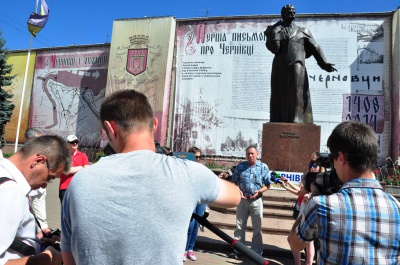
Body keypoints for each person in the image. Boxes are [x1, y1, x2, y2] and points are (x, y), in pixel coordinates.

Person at [60, 89, 241, 265]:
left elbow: (69, 255)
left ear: (109, 128)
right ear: (154, 124)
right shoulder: (188, 173)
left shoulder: (79, 183)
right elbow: (235, 196)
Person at [289, 121, 400, 264]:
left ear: (341, 157)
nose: (333, 167)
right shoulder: (397, 207)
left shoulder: (322, 205)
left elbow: (295, 243)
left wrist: (314, 198)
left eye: (332, 160)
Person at [0, 135, 71, 264]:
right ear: (38, 161)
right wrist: (48, 257)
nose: (45, 185)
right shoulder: (10, 191)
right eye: (49, 178)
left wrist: (33, 239)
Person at [264, 4, 337, 123]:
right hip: (279, 66)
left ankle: (296, 117)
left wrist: (323, 63)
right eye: (289, 12)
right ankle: (278, 118)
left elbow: (315, 47)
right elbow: (275, 49)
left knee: (296, 89)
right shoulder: (275, 29)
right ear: (283, 14)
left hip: (296, 63)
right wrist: (274, 33)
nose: (292, 14)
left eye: (294, 12)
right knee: (278, 92)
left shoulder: (303, 31)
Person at [280, 152, 324, 265]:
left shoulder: (323, 179)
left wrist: (311, 196)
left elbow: (321, 195)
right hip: (304, 210)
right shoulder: (308, 176)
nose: (312, 167)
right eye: (311, 165)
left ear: (320, 166)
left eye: (315, 165)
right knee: (303, 241)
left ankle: (304, 263)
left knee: (302, 241)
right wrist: (288, 184)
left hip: (311, 211)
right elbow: (301, 192)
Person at [229, 146, 271, 258]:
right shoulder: (241, 166)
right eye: (248, 154)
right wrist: (238, 192)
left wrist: (260, 191)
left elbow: (268, 185)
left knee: (257, 227)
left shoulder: (263, 167)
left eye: (252, 153)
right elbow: (234, 182)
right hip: (242, 201)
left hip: (256, 201)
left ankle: (256, 252)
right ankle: (238, 250)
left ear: (257, 154)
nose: (250, 156)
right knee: (239, 226)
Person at [25, 128, 51, 235]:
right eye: (38, 139)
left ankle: (44, 235)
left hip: (40, 189)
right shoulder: (25, 154)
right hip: (29, 190)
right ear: (30, 139)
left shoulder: (40, 152)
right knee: (28, 215)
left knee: (41, 216)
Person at [184, 146, 206, 262]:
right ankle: (184, 249)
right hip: (190, 198)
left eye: (199, 157)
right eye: (196, 157)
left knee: (197, 225)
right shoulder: (185, 167)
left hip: (201, 199)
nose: (198, 159)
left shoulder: (202, 168)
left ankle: (190, 249)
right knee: (190, 225)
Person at [58, 134, 89, 204]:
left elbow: (86, 170)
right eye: (72, 142)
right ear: (67, 144)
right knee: (65, 212)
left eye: (76, 141)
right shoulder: (63, 156)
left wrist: (73, 169)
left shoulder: (83, 155)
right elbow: (66, 171)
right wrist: (81, 167)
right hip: (65, 187)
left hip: (79, 187)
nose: (75, 143)